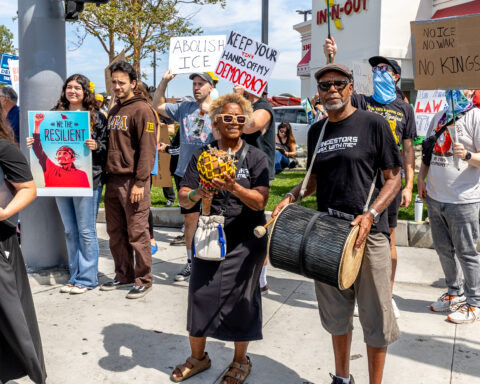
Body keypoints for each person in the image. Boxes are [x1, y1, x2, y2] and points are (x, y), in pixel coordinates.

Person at [273, 63, 402, 384]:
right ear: (318, 92)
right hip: (327, 234)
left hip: (368, 234)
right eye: (325, 85)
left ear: (350, 88)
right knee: (336, 316)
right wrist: (291, 195)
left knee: (376, 318)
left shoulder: (374, 124)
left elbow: (393, 177)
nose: (331, 90)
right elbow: (313, 180)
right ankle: (342, 378)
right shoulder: (317, 131)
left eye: (338, 84)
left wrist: (371, 214)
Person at [171, 93, 269, 383]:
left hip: (246, 239)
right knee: (199, 295)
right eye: (227, 117)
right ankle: (198, 358)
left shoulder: (255, 157)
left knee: (242, 300)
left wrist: (234, 187)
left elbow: (261, 201)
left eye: (240, 118)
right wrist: (198, 194)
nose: (234, 122)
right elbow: (183, 194)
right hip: (211, 234)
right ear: (215, 121)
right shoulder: (203, 154)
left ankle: (240, 361)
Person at [324, 38, 417, 318]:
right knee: (354, 236)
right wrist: (331, 58)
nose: (378, 72)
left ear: (396, 76)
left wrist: (409, 184)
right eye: (374, 68)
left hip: (388, 185)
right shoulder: (362, 101)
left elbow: (409, 150)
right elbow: (336, 95)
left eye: (384, 69)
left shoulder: (404, 109)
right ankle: (353, 289)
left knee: (387, 239)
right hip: (361, 183)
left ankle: (386, 294)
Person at [26, 74, 108, 294]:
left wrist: (95, 145)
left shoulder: (96, 117)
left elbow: (107, 148)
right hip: (60, 183)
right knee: (71, 231)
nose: (72, 91)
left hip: (88, 179)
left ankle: (88, 278)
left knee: (86, 231)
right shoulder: (54, 116)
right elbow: (44, 148)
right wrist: (34, 141)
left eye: (77, 88)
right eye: (69, 87)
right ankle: (75, 276)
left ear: (85, 92)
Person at [418, 89, 480, 324]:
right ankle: (455, 292)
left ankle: (475, 302)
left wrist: (467, 156)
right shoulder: (440, 116)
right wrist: (421, 178)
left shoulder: (476, 117)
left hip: (463, 199)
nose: (455, 90)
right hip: (435, 197)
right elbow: (427, 151)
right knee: (444, 250)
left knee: (467, 253)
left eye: (462, 85)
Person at [100, 61, 157, 299]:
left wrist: (141, 183)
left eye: (121, 82)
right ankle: (123, 275)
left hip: (132, 181)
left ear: (133, 83)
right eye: (113, 82)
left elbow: (148, 149)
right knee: (115, 233)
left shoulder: (142, 110)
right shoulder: (114, 110)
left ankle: (143, 279)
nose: (116, 87)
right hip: (112, 180)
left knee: (137, 232)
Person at [153, 71, 215, 282]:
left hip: (211, 175)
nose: (196, 87)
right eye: (194, 84)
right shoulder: (184, 107)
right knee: (190, 221)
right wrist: (164, 81)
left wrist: (214, 113)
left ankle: (213, 261)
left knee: (213, 220)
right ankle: (191, 263)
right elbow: (157, 105)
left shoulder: (220, 107)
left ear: (211, 87)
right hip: (185, 175)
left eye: (201, 84)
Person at [0, 106, 46, 384]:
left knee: (10, 315)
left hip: (0, 240)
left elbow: (28, 188)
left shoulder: (4, 149)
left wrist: (4, 213)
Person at [233, 85, 275, 294]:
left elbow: (249, 126)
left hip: (257, 172)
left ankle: (261, 279)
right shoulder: (244, 106)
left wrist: (238, 99)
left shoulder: (263, 107)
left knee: (256, 224)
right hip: (239, 168)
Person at [29, 113, 91, 189]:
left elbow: (85, 190)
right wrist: (37, 124)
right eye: (59, 154)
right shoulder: (51, 169)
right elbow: (37, 148)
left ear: (73, 158)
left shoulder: (82, 175)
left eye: (65, 153)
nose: (61, 156)